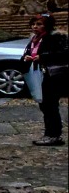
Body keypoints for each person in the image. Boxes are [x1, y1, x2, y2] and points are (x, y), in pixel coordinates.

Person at [22, 13, 69, 147]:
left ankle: (53, 135)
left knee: (50, 106)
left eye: (39, 24)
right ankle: (51, 133)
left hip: (54, 76)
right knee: (45, 105)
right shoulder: (35, 39)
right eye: (34, 24)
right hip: (40, 75)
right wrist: (26, 58)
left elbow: (63, 54)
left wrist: (42, 57)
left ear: (47, 26)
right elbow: (28, 53)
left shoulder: (56, 38)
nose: (35, 27)